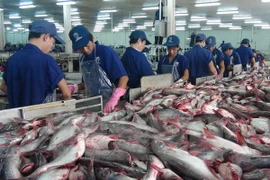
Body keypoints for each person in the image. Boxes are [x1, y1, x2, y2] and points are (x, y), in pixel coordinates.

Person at [0, 20, 71, 108]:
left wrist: (20, 98)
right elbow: (67, 94)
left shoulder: (12, 60)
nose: (51, 49)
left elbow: (3, 87)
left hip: (15, 117)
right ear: (46, 37)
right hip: (38, 118)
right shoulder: (47, 60)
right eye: (52, 43)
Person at [68, 25, 128, 113]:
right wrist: (75, 87)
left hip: (112, 103)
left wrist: (114, 98)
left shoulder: (106, 52)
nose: (85, 50)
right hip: (93, 102)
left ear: (92, 38)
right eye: (81, 48)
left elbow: (124, 78)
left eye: (86, 45)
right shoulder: (83, 58)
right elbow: (87, 83)